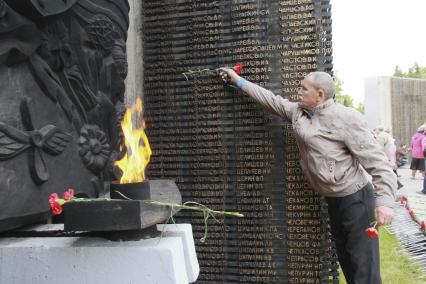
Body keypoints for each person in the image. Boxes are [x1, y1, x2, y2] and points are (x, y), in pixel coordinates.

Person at [218, 68, 396, 284]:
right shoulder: (298, 113)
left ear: (320, 94)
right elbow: (271, 100)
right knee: (348, 262)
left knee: (364, 269)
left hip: (357, 200)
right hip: (334, 200)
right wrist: (239, 81)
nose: (298, 91)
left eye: (304, 88)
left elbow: (378, 162)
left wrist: (385, 201)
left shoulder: (346, 118)